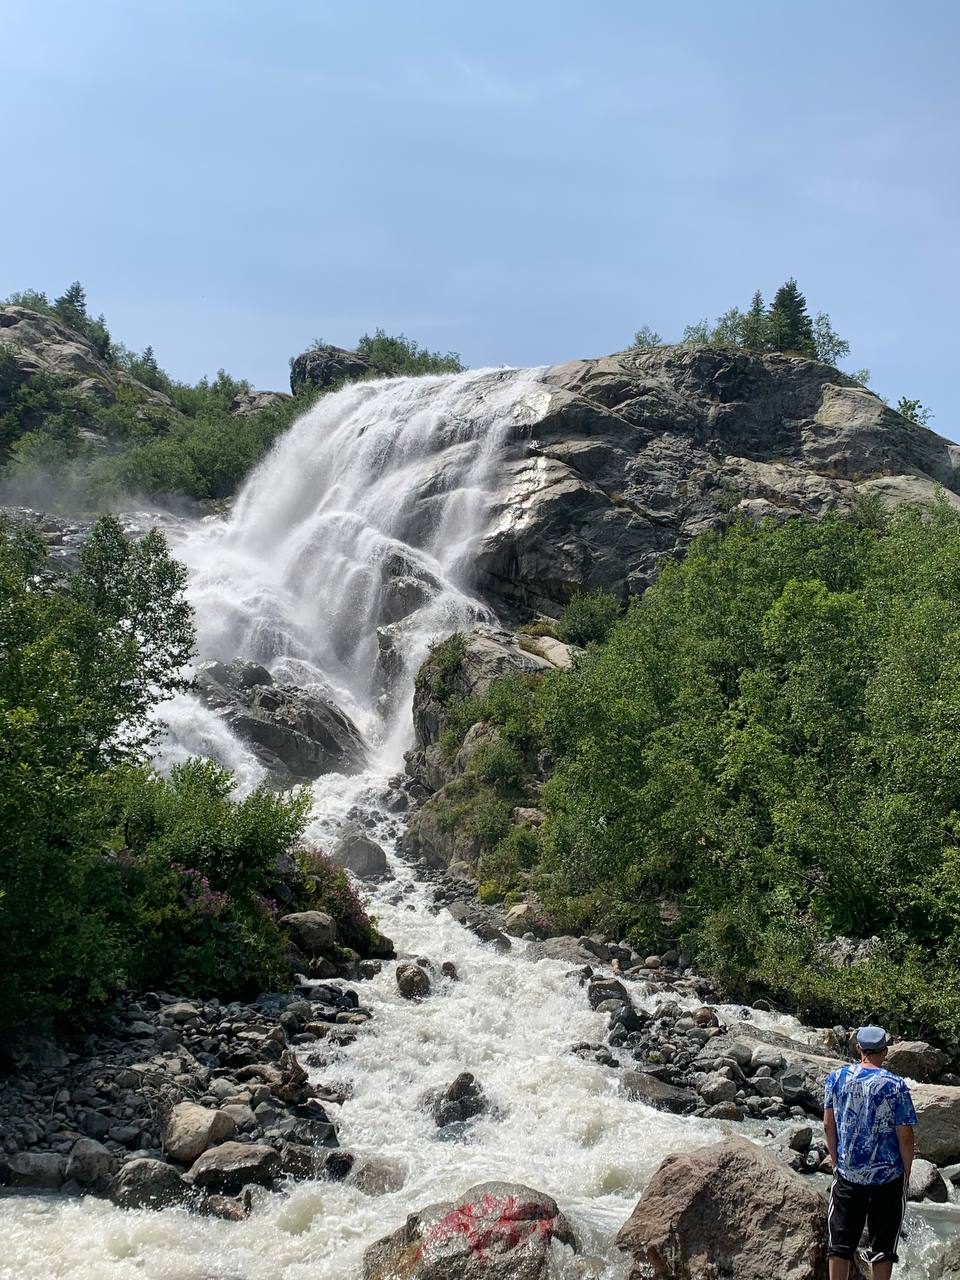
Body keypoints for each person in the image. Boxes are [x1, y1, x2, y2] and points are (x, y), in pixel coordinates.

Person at [823, 1025, 917, 1280]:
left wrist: (837, 1163)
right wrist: (906, 1174)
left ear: (859, 1049)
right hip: (887, 1179)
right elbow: (906, 1137)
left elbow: (828, 1125)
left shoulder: (836, 1078)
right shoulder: (895, 1085)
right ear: (885, 1051)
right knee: (883, 1248)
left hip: (848, 1175)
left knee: (839, 1245)